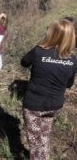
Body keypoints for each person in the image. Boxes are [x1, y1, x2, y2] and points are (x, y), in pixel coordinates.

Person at [21, 19, 76, 160]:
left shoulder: (38, 51)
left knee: (34, 143)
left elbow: (24, 62)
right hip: (54, 105)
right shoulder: (73, 60)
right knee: (44, 136)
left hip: (34, 105)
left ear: (51, 34)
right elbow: (69, 84)